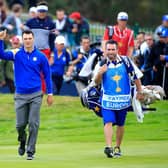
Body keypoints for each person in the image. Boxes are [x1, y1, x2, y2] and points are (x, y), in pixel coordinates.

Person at [0, 29, 53, 160]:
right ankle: (22, 141)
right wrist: (1, 40)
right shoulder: (16, 53)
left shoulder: (41, 56)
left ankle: (30, 151)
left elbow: (47, 75)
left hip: (36, 94)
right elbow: (1, 54)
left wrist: (50, 93)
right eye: (25, 39)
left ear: (33, 39)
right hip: (20, 95)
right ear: (22, 40)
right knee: (20, 125)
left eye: (30, 38)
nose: (28, 41)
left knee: (33, 123)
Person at [94, 40, 143, 158]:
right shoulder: (101, 63)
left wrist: (140, 91)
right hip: (107, 100)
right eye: (108, 49)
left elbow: (135, 77)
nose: (110, 52)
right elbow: (96, 82)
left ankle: (117, 146)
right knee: (108, 121)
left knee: (121, 124)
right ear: (105, 51)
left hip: (123, 100)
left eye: (113, 49)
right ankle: (108, 147)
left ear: (117, 50)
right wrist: (100, 73)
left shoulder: (126, 61)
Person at [25, 1, 56, 93]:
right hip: (32, 50)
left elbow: (52, 40)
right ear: (37, 11)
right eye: (40, 11)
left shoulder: (51, 24)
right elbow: (25, 37)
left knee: (43, 72)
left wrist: (52, 55)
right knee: (31, 71)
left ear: (46, 12)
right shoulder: (30, 22)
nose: (41, 13)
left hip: (45, 51)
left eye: (43, 11)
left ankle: (42, 91)